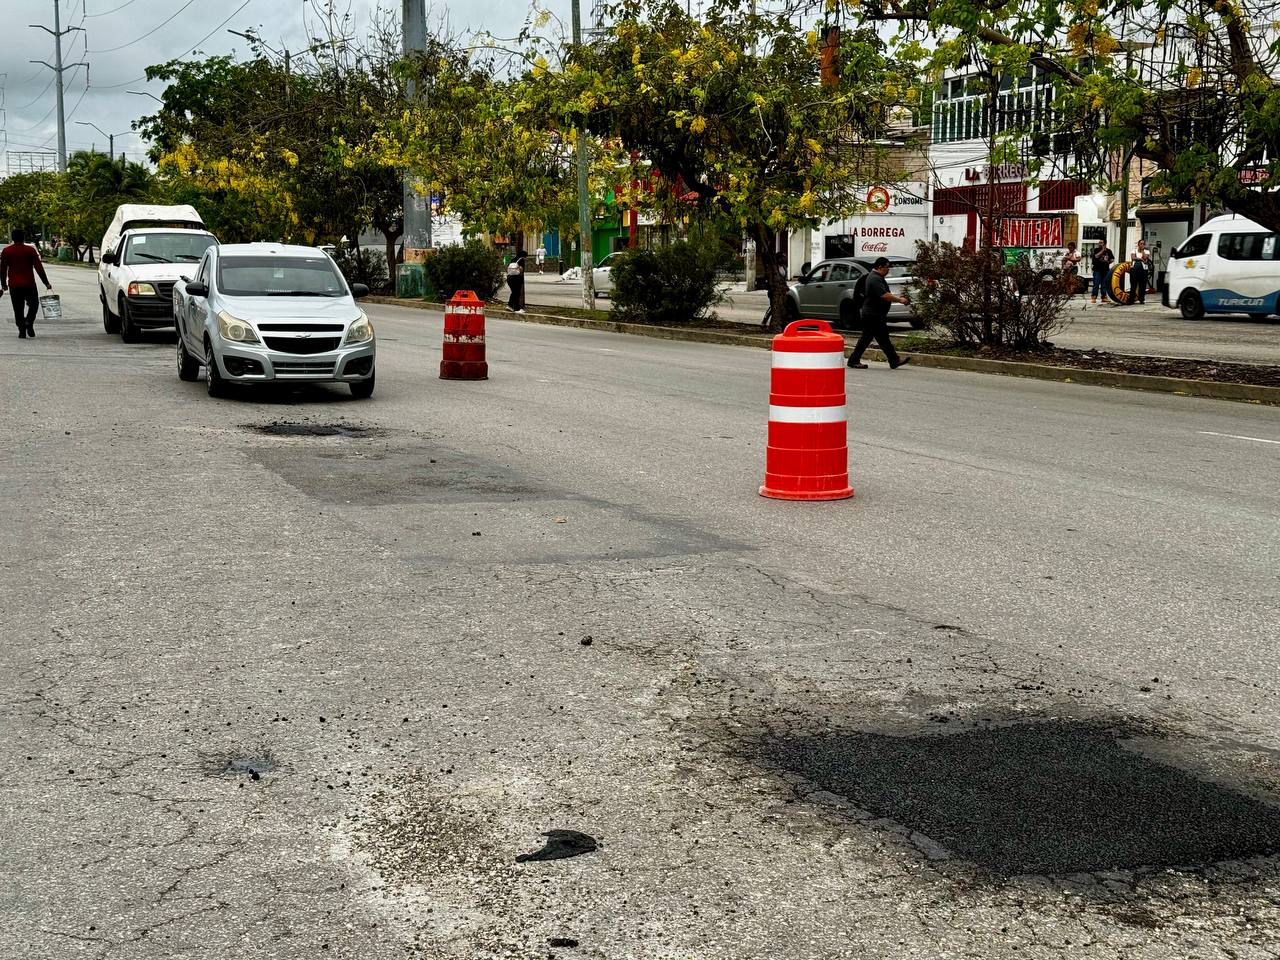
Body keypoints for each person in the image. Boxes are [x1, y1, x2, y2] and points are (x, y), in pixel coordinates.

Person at [847, 257, 911, 369]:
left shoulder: (876, 277)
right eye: (887, 267)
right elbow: (884, 295)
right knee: (871, 338)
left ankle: (893, 360)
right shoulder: (874, 278)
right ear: (880, 267)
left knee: (879, 338)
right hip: (872, 314)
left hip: (874, 313)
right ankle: (854, 360)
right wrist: (900, 300)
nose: (888, 270)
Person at [0, 229, 52, 339]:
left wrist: (3, 284)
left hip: (14, 285)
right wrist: (46, 283)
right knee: (34, 305)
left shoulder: (7, 251)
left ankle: (22, 330)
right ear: (23, 238)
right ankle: (28, 321)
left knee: (18, 309)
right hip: (29, 284)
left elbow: (3, 269)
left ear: (13, 238)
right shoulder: (30, 250)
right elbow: (39, 268)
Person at [1090, 239, 1115, 305]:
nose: (1099, 244)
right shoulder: (1096, 250)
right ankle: (1094, 297)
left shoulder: (1109, 251)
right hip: (1097, 269)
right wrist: (1103, 250)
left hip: (1105, 269)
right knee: (1096, 284)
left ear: (1104, 244)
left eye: (1101, 242)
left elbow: (1112, 259)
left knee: (1104, 284)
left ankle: (1104, 297)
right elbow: (1096, 256)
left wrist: (1108, 261)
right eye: (1099, 242)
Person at [1128, 239, 1152, 304]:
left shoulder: (1147, 251)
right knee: (1133, 285)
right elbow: (1133, 258)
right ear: (1138, 244)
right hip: (1134, 270)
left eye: (1143, 244)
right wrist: (1141, 259)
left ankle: (1141, 299)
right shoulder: (1134, 250)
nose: (1142, 245)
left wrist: (1142, 251)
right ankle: (1131, 299)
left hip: (1143, 270)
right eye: (1141, 244)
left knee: (1142, 285)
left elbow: (1145, 257)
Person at [507, 249, 526, 313]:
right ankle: (516, 308)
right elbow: (521, 269)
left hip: (509, 278)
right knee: (517, 293)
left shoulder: (513, 259)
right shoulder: (521, 260)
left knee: (514, 293)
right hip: (516, 278)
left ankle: (510, 305)